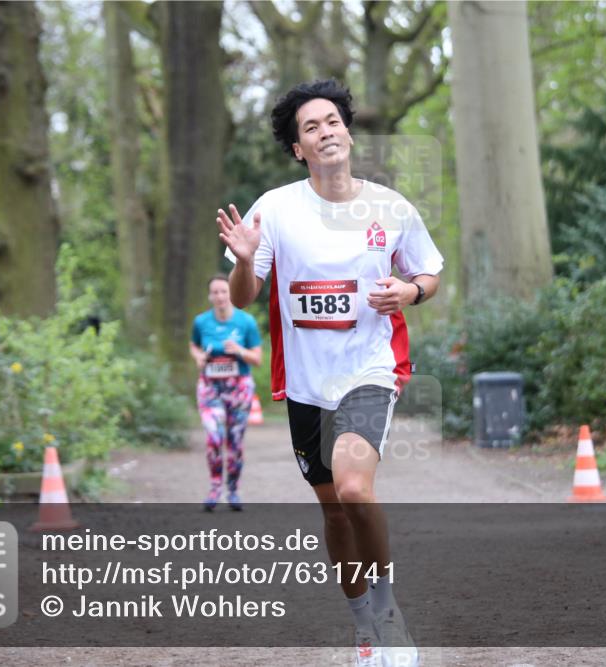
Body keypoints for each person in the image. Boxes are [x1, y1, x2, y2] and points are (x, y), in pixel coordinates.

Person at [217, 79, 442, 667]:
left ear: (348, 132)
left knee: (354, 489)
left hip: (370, 369)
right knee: (334, 511)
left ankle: (389, 615)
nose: (325, 132)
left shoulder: (391, 207)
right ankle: (362, 623)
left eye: (332, 121)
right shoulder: (275, 209)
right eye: (310, 127)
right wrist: (245, 261)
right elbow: (243, 297)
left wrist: (409, 292)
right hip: (307, 385)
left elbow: (428, 273)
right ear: (299, 148)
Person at [189, 274, 263, 512]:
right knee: (214, 437)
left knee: (235, 441)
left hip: (239, 388)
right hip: (210, 387)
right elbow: (194, 345)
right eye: (215, 292)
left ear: (230, 293)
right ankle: (214, 487)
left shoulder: (246, 322)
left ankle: (232, 489)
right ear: (210, 296)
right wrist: (199, 357)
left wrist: (239, 350)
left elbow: (257, 359)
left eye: (224, 291)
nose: (220, 296)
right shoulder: (201, 322)